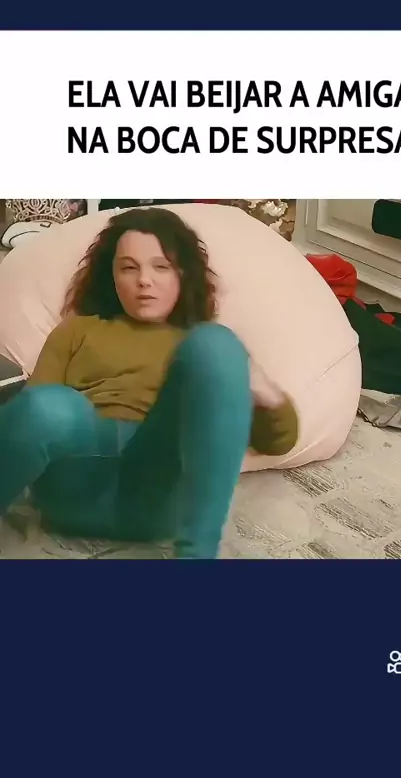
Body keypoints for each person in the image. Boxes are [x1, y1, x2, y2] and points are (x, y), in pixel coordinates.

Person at [0, 207, 298, 558]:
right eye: (129, 268)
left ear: (183, 274)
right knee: (50, 406)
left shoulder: (204, 347)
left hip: (157, 484)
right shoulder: (77, 329)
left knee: (216, 343)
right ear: (111, 275)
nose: (144, 280)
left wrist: (258, 385)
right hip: (74, 479)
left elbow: (279, 441)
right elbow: (30, 422)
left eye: (161, 266)